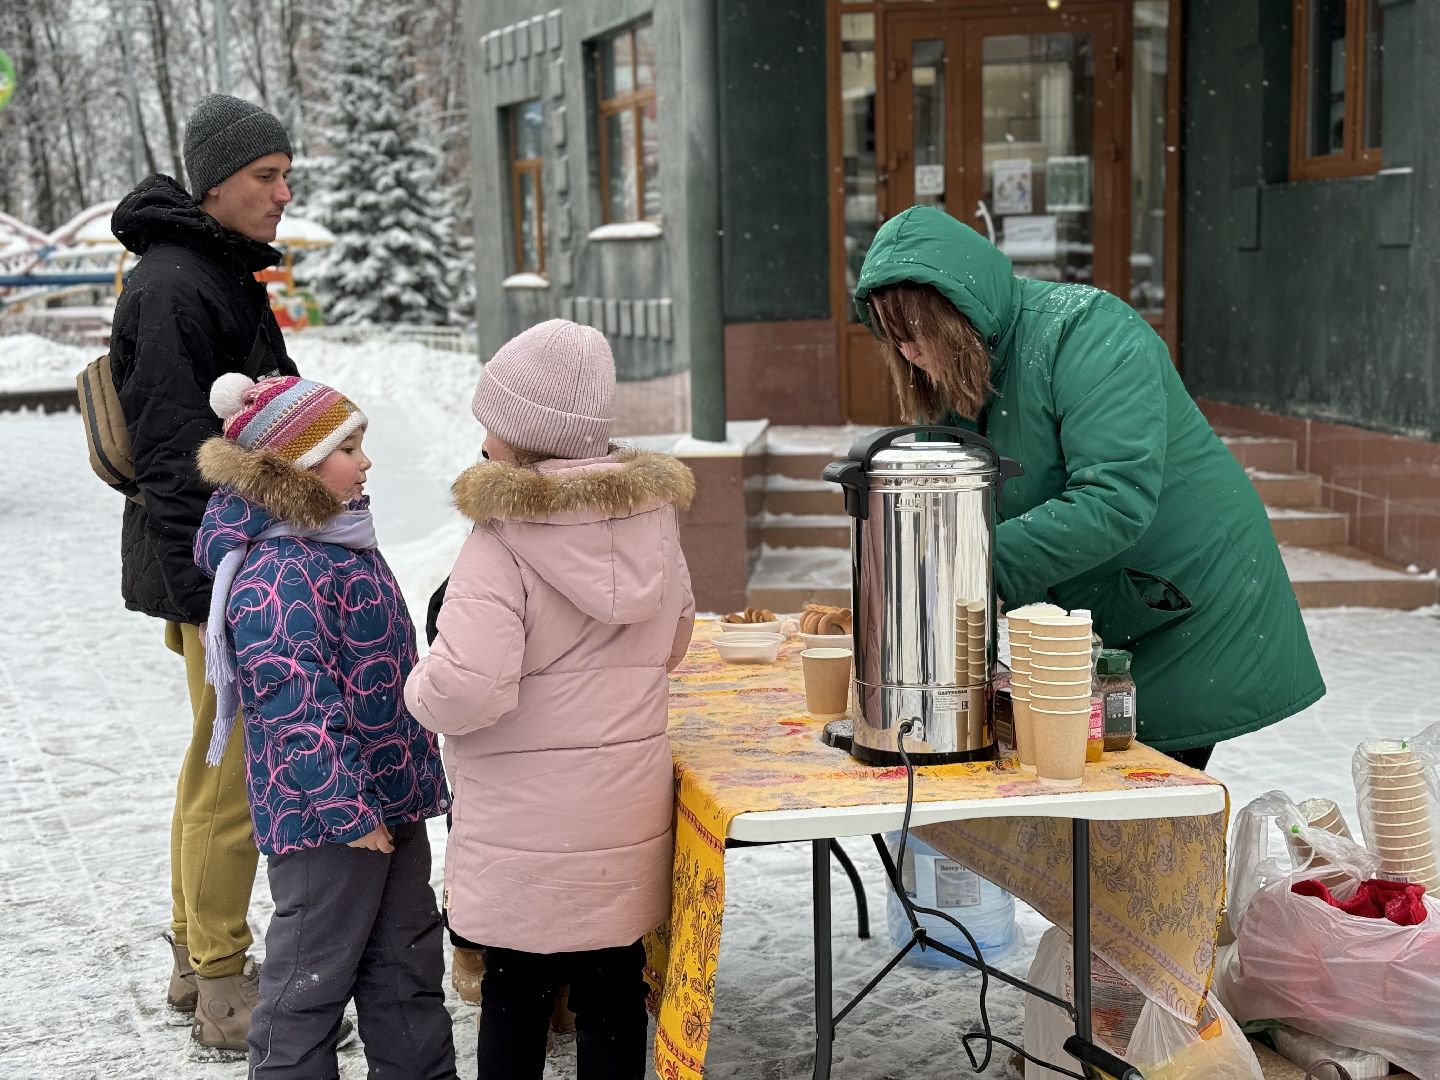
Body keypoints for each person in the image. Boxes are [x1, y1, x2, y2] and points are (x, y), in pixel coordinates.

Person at [854, 205, 1325, 769]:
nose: (906, 353)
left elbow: (1114, 500)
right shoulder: (970, 367)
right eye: (892, 339)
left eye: (914, 333)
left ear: (955, 314)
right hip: (1111, 611)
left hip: (1187, 600)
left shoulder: (1088, 332)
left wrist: (964, 569)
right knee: (1077, 805)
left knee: (1136, 816)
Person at [405, 319, 696, 1079]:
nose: (482, 441)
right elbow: (675, 640)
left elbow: (468, 685)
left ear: (521, 437)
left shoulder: (498, 542)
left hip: (523, 826)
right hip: (621, 815)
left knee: (515, 987)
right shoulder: (654, 525)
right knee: (611, 983)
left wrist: (418, 687)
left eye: (492, 426)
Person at [193, 372, 456, 1076]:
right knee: (309, 987)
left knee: (406, 972)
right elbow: (295, 711)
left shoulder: (338, 542)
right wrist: (347, 812)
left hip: (389, 804)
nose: (365, 461)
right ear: (296, 467)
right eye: (349, 447)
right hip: (325, 824)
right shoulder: (278, 572)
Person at [107, 93, 298, 1048]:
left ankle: (195, 951)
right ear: (214, 182)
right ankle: (226, 980)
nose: (282, 192)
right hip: (217, 562)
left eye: (284, 173)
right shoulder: (178, 284)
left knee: (212, 762)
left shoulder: (211, 271)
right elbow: (177, 453)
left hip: (234, 554)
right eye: (266, 176)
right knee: (235, 773)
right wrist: (211, 590)